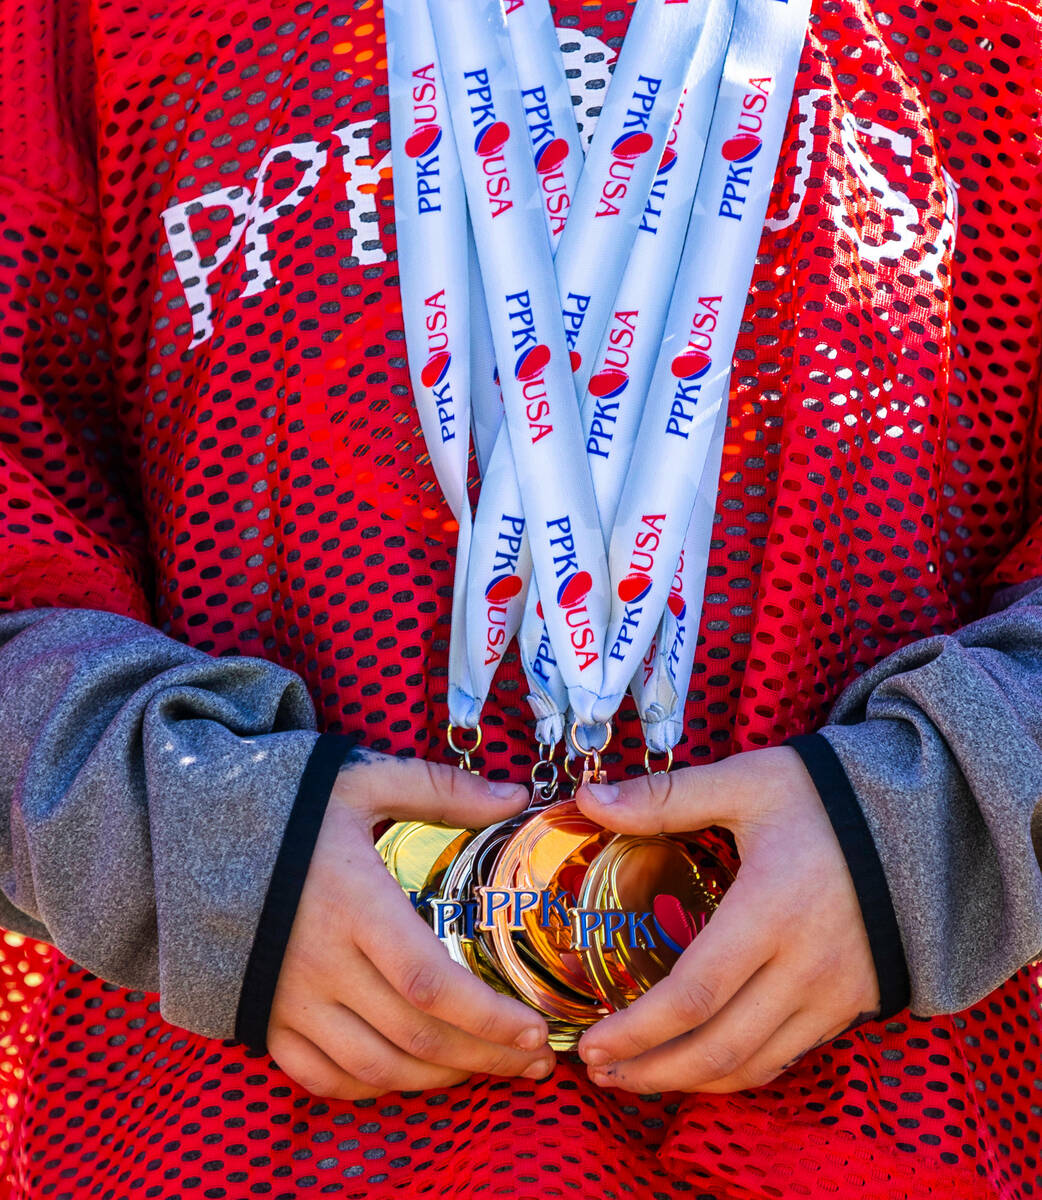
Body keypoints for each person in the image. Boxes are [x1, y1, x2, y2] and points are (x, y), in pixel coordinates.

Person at [0, 0, 1039, 1197]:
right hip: (250, 1145)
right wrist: (187, 836)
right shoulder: (93, 30)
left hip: (873, 1137)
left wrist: (928, 827)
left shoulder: (991, 35)